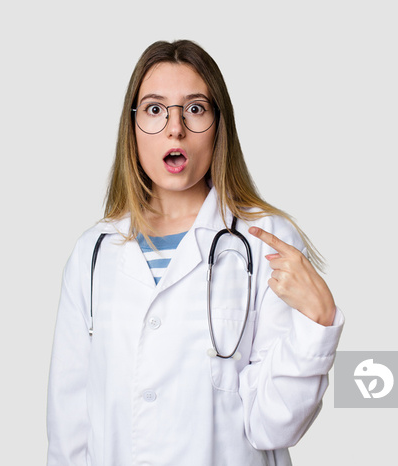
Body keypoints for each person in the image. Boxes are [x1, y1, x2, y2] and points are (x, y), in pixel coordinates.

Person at [47, 39, 344, 466]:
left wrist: (318, 322)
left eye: (195, 109)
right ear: (131, 127)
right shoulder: (93, 253)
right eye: (154, 109)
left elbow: (274, 425)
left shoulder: (264, 241)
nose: (175, 128)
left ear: (219, 125)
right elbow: (69, 425)